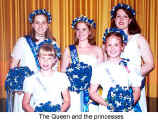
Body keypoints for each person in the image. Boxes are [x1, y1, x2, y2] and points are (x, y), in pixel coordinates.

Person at [9, 9, 60, 112]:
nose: (40, 26)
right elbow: (13, 66)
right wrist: (16, 86)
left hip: (46, 89)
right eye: (37, 22)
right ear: (32, 25)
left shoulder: (53, 44)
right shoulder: (23, 42)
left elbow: (55, 68)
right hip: (25, 89)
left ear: (47, 25)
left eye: (43, 23)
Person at [108, 3, 154, 112]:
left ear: (130, 20)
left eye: (125, 16)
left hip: (134, 88)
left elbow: (150, 64)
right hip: (114, 86)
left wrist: (133, 77)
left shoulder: (139, 39)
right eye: (118, 16)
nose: (121, 19)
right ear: (114, 19)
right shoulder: (108, 40)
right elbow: (105, 63)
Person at [90, 28, 142, 112]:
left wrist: (128, 104)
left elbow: (137, 91)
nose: (112, 48)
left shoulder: (130, 66)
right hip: (106, 109)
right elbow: (92, 92)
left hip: (126, 109)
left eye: (116, 45)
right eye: (109, 45)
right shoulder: (99, 68)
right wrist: (108, 104)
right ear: (105, 47)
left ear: (122, 47)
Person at [61, 15, 104, 112]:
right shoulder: (69, 50)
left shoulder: (98, 50)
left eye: (84, 29)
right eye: (78, 29)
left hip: (92, 93)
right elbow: (63, 75)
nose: (80, 32)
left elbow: (101, 74)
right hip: (73, 93)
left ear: (89, 31)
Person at [22, 44, 70, 112]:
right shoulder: (30, 79)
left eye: (49, 58)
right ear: (38, 59)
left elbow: (67, 101)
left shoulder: (62, 77)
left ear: (54, 60)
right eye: (43, 58)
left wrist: (57, 114)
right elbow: (25, 103)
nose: (45, 61)